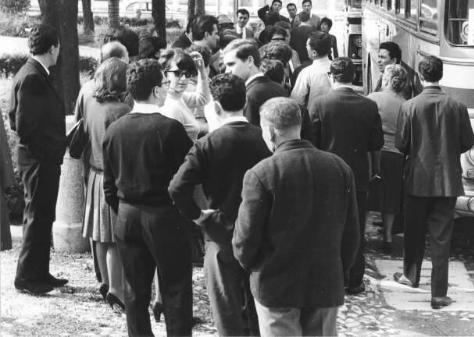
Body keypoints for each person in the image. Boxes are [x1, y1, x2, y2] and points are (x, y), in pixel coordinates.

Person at [233, 98, 360, 337]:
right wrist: (340, 269)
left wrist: (254, 267)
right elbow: (352, 232)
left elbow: (245, 238)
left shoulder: (262, 173)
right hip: (324, 281)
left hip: (275, 285)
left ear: (270, 132)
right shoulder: (339, 167)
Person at [169, 73, 271, 336]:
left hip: (221, 231)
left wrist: (197, 216)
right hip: (262, 233)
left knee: (225, 308)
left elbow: (177, 187)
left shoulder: (207, 144)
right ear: (246, 103)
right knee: (260, 305)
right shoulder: (264, 139)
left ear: (216, 106)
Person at [103, 59, 193, 336]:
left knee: (134, 290)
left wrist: (125, 208)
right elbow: (186, 179)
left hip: (127, 215)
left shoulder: (114, 129)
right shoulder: (170, 129)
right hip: (164, 216)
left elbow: (109, 186)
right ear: (156, 90)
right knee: (176, 289)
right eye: (165, 84)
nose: (167, 89)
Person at [393, 55, 474, 310]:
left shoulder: (409, 106)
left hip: (417, 179)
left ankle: (410, 275)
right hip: (447, 181)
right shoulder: (457, 106)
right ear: (441, 75)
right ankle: (438, 293)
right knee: (441, 238)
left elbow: (401, 144)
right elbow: (467, 142)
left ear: (419, 76)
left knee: (414, 231)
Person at [309, 57, 384, 295]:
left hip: (325, 175)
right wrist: (375, 171)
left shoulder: (320, 104)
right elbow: (376, 144)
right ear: (354, 78)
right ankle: (354, 279)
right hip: (358, 175)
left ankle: (330, 279)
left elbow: (311, 142)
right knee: (356, 228)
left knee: (326, 227)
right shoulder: (369, 106)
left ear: (331, 77)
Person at [9, 24, 67, 295]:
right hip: (37, 161)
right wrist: (50, 152)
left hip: (36, 159)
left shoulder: (30, 72)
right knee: (36, 216)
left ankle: (39, 272)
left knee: (43, 216)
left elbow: (15, 119)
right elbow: (25, 126)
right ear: (53, 47)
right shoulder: (33, 76)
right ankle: (26, 278)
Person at [82, 58, 130, 313]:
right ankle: (117, 291)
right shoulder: (121, 111)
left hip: (95, 174)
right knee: (114, 240)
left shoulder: (92, 104)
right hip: (113, 177)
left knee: (99, 236)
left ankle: (103, 281)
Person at [367, 65, 408, 253]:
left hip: (373, 152)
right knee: (390, 198)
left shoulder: (372, 99)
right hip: (396, 155)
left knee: (368, 195)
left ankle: (362, 235)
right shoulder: (405, 104)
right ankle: (388, 237)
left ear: (386, 79)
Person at [222, 39, 287, 126]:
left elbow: (251, 134)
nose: (227, 71)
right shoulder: (279, 88)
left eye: (231, 64)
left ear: (250, 61)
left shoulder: (249, 96)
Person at [159, 48, 209, 141]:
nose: (183, 78)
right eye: (177, 73)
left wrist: (201, 71)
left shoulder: (177, 97)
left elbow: (202, 98)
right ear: (165, 74)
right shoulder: (171, 107)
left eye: (188, 74)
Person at [290, 33, 332, 108]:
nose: (306, 47)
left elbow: (296, 100)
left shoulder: (307, 72)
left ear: (314, 53)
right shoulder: (338, 68)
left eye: (307, 46)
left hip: (314, 116)